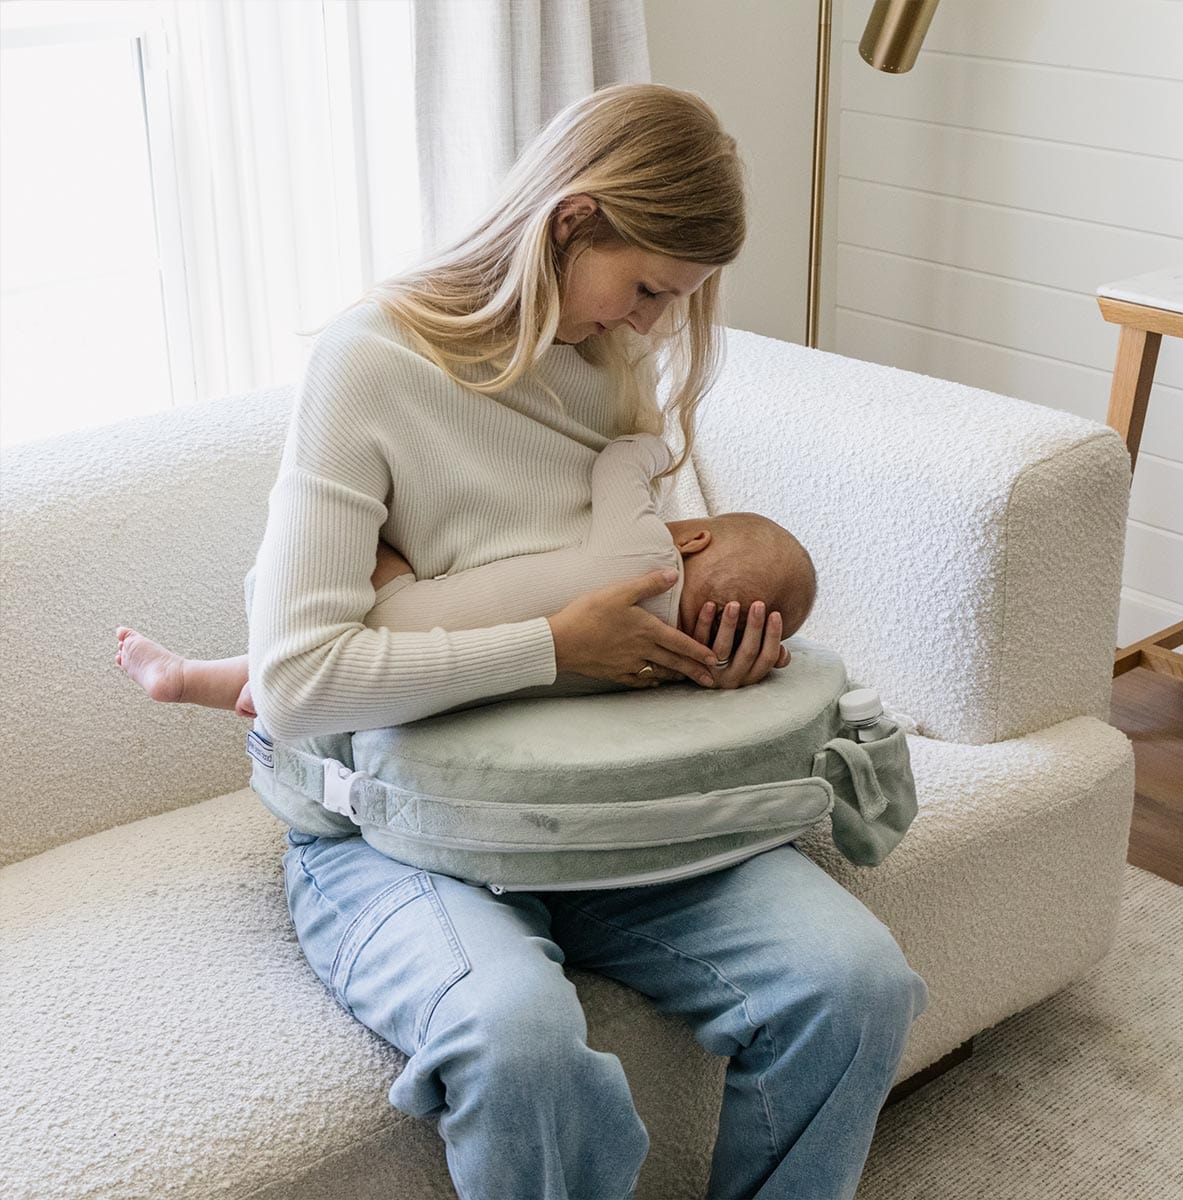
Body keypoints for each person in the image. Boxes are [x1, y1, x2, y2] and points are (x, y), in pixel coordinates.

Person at [201, 84, 927, 1199]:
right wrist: (555, 645)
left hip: (596, 809)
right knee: (517, 1038)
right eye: (644, 289)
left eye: (673, 302)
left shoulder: (611, 363)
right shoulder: (370, 362)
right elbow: (298, 684)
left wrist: (708, 654)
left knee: (856, 983)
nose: (649, 325)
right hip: (396, 831)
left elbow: (632, 586)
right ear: (571, 220)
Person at [115, 432, 819, 718]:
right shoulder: (669, 672)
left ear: (693, 539)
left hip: (399, 621)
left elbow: (617, 466)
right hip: (453, 690)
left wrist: (655, 444)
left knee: (368, 538)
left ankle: (249, 678)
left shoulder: (650, 560)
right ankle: (208, 681)